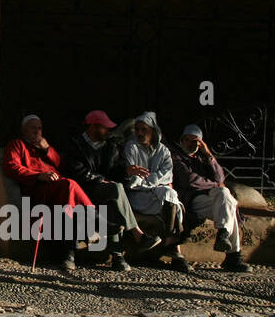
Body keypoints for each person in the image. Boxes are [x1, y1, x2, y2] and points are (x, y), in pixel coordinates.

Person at [63, 109, 161, 271]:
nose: (108, 131)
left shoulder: (111, 146)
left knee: (114, 201)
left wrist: (127, 171)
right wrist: (101, 180)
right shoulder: (76, 144)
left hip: (106, 191)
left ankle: (117, 256)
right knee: (115, 190)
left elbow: (115, 170)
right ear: (93, 127)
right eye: (104, 127)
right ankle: (137, 234)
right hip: (83, 191)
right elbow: (77, 171)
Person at [3, 114, 95, 271]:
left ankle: (70, 252)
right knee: (69, 184)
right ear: (24, 129)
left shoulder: (45, 146)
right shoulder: (17, 145)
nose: (37, 131)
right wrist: (39, 176)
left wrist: (47, 150)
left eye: (39, 128)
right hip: (36, 189)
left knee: (68, 191)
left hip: (57, 189)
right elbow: (12, 167)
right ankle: (95, 218)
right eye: (33, 128)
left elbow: (61, 165)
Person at [171, 124, 251, 273]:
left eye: (195, 141)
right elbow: (189, 181)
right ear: (182, 140)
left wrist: (208, 155)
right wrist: (215, 184)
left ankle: (223, 234)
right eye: (188, 140)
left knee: (225, 195)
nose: (191, 144)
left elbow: (220, 176)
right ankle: (233, 256)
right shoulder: (177, 157)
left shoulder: (203, 158)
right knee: (228, 200)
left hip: (214, 200)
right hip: (193, 200)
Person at [121, 111, 190, 271]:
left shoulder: (163, 151)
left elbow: (167, 175)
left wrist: (147, 180)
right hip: (138, 196)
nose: (139, 133)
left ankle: (170, 244)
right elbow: (133, 179)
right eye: (137, 129)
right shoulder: (131, 147)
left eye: (143, 130)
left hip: (157, 192)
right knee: (168, 196)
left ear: (153, 131)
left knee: (170, 194)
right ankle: (172, 245)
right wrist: (150, 181)